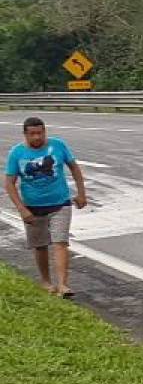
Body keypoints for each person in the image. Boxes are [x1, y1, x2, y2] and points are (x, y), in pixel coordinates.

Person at [5, 117, 88, 297]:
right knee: (40, 245)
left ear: (45, 132)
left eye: (40, 133)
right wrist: (21, 208)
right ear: (25, 135)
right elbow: (9, 183)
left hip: (60, 203)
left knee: (60, 242)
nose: (37, 137)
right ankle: (45, 280)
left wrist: (81, 193)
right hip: (33, 206)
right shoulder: (17, 153)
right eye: (33, 134)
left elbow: (74, 168)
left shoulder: (58, 145)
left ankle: (63, 285)